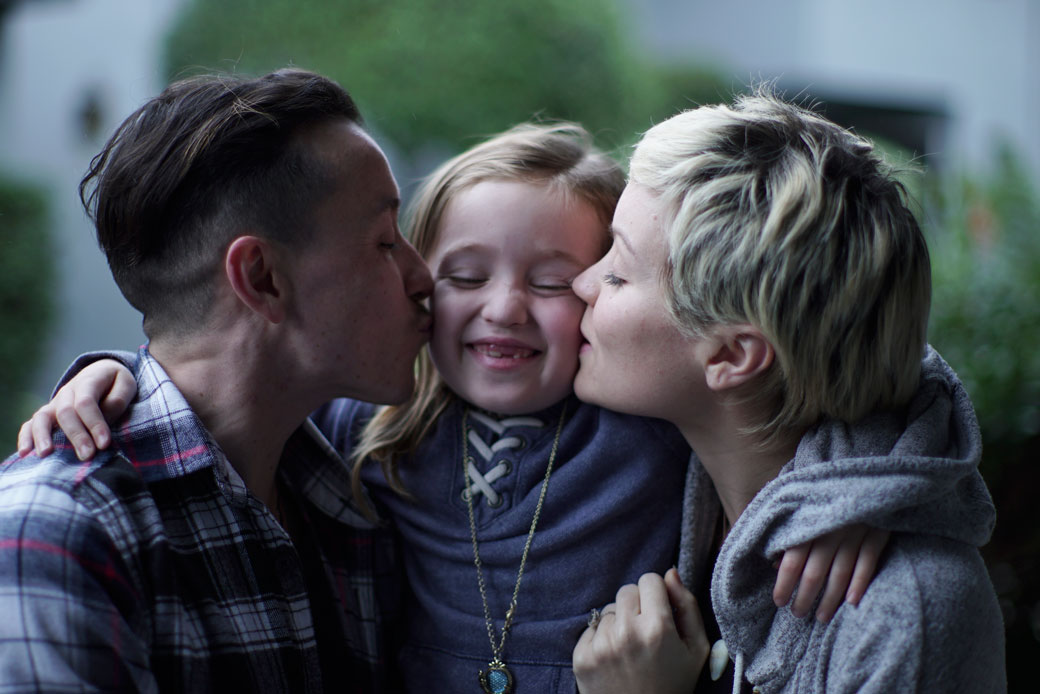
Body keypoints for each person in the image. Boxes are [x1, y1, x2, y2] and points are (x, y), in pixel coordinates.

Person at [20, 121, 888, 693]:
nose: (505, 308)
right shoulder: (362, 432)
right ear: (419, 287)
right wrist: (113, 374)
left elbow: (841, 353)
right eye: (464, 276)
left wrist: (852, 487)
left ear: (605, 290)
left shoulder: (647, 415)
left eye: (558, 282)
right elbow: (223, 387)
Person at [0, 69, 434, 692]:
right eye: (386, 241)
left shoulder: (355, 489)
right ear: (261, 278)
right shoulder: (58, 531)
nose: (425, 280)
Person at [570, 89, 1006, 692]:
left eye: (617, 271)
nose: (581, 281)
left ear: (730, 355)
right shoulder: (648, 471)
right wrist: (856, 489)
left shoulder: (906, 615)